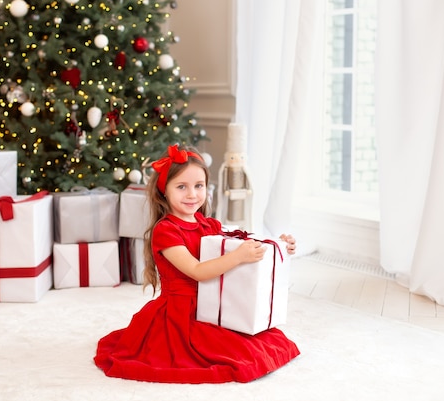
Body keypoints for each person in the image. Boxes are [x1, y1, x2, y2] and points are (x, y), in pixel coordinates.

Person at [94, 144, 300, 383]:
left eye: (198, 186)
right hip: (181, 314)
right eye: (182, 187)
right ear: (164, 191)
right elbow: (197, 271)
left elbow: (236, 243)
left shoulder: (207, 224)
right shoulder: (166, 231)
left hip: (214, 302)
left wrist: (276, 244)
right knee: (228, 355)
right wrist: (238, 256)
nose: (192, 194)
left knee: (263, 343)